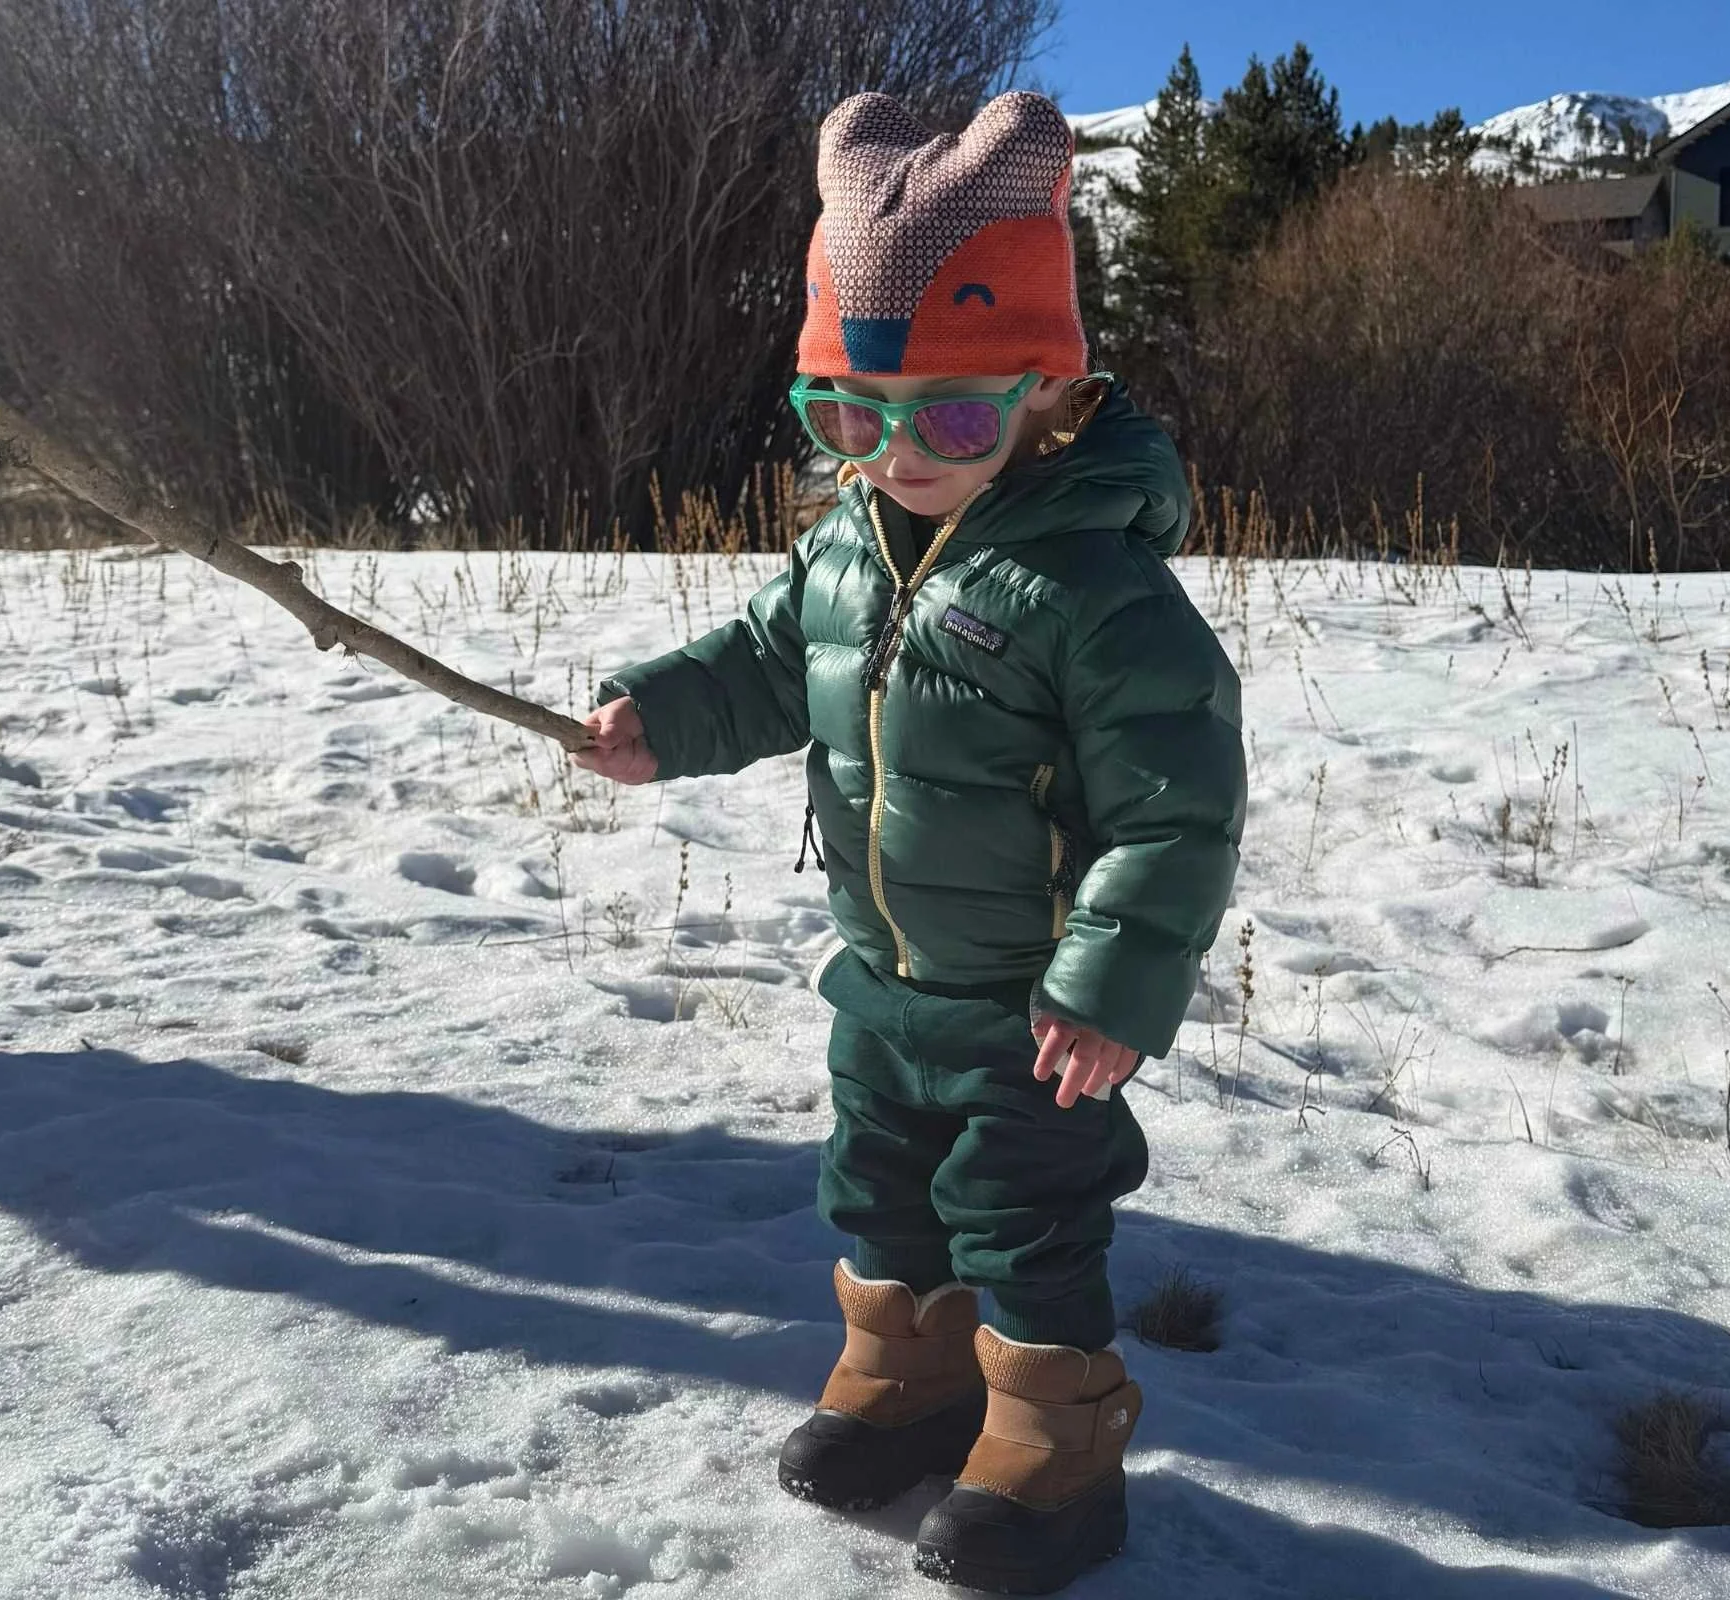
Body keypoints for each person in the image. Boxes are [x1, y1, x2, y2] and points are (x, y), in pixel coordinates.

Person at [575, 88, 1244, 1595]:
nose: (897, 453)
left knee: (1023, 1215)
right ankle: (912, 1376)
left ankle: (1055, 1445)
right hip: (884, 977)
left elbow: (1177, 803)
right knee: (879, 1187)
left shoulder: (1096, 588)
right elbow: (762, 664)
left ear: (1047, 395)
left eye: (949, 414)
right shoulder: (842, 547)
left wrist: (1112, 984)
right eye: (850, 416)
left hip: (1034, 1006)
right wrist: (657, 721)